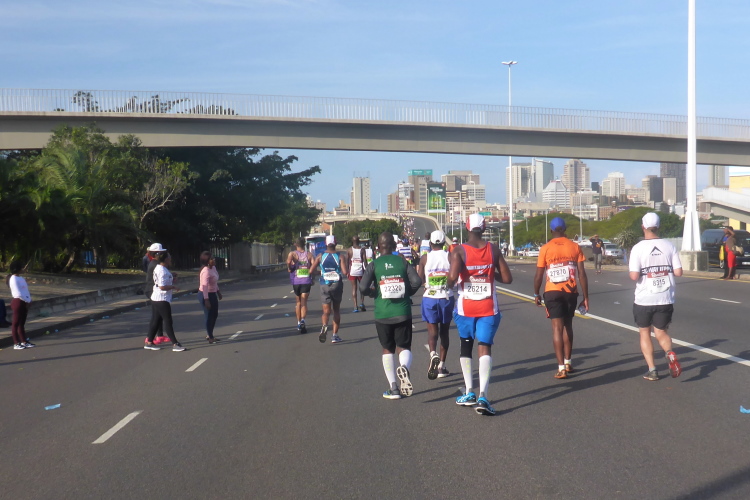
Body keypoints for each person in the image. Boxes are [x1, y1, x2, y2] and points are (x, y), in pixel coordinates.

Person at [448, 214, 513, 415]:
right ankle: (483, 396)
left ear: (467, 228)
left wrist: (450, 282)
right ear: (483, 229)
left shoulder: (459, 251)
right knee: (484, 347)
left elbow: (452, 278)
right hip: (488, 307)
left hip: (465, 308)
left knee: (466, 345)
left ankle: (469, 392)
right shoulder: (493, 250)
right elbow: (507, 278)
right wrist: (488, 273)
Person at [360, 231, 422, 399]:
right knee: (404, 346)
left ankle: (394, 388)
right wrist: (407, 292)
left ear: (378, 247)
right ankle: (404, 367)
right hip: (402, 312)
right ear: (394, 246)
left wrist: (373, 293)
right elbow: (417, 281)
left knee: (387, 349)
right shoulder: (402, 262)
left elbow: (363, 288)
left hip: (383, 313)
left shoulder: (374, 264)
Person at [629, 213, 683, 381]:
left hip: (644, 299)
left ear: (643, 227)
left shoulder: (638, 248)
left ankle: (652, 370)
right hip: (665, 297)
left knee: (644, 333)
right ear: (658, 227)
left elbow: (633, 276)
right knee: (660, 331)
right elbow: (678, 272)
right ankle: (669, 352)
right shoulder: (669, 246)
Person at [533, 217, 589, 379]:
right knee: (568, 326)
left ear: (551, 230)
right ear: (565, 229)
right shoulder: (574, 246)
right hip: (570, 292)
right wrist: (586, 297)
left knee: (557, 328)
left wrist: (536, 293)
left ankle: (561, 368)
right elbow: (582, 274)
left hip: (552, 292)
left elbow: (539, 275)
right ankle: (568, 362)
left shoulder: (545, 248)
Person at [418, 230, 454, 380]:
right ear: (444, 243)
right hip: (446, 297)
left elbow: (419, 279)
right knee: (444, 332)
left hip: (430, 297)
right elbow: (454, 276)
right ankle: (442, 367)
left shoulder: (425, 258)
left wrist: (427, 283)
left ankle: (433, 354)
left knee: (432, 332)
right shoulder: (450, 256)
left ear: (431, 243)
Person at [309, 235, 348, 344]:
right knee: (336, 310)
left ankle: (324, 326)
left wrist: (321, 272)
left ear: (326, 244)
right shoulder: (340, 256)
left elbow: (311, 271)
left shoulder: (320, 256)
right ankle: (335, 336)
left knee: (326, 311)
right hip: (337, 284)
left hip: (324, 284)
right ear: (336, 243)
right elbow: (345, 272)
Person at [144, 252, 186, 352]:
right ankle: (175, 344)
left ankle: (149, 342)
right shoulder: (161, 270)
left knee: (156, 320)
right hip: (161, 298)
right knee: (168, 321)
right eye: (169, 258)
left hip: (157, 297)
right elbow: (162, 286)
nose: (171, 259)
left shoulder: (160, 268)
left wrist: (172, 279)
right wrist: (173, 287)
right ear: (166, 259)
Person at [287, 237, 314, 333]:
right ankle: (303, 320)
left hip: (296, 281)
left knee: (298, 303)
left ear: (295, 244)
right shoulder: (309, 254)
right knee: (304, 302)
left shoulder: (292, 254)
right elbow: (313, 266)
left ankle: (299, 322)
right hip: (306, 280)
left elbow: (288, 262)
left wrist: (290, 268)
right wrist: (312, 277)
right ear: (304, 244)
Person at [144, 243, 168, 345]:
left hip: (153, 290)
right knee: (156, 316)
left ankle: (159, 335)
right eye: (161, 253)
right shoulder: (155, 265)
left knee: (158, 315)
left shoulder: (155, 263)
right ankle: (150, 338)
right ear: (157, 254)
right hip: (152, 291)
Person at [6, 260, 34, 349]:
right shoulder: (13, 279)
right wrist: (27, 300)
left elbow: (25, 290)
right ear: (17, 269)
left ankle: (24, 341)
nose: (23, 269)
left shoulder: (21, 278)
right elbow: (18, 293)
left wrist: (29, 299)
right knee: (16, 323)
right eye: (21, 267)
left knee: (22, 323)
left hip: (25, 302)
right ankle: (16, 343)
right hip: (18, 301)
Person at [198, 251, 223, 343]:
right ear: (207, 261)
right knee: (208, 315)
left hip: (213, 293)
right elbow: (204, 286)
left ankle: (210, 334)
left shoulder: (213, 268)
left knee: (214, 314)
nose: (214, 260)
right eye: (211, 259)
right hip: (205, 295)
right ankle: (210, 337)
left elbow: (214, 282)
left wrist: (218, 292)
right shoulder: (206, 271)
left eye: (213, 258)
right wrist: (206, 300)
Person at [347, 236, 367, 312]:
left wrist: (347, 272)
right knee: (362, 288)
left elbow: (347, 262)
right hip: (360, 272)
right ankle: (362, 303)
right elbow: (365, 262)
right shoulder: (362, 250)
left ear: (352, 241)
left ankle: (355, 306)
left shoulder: (349, 250)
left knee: (354, 288)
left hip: (352, 272)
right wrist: (367, 270)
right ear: (359, 241)